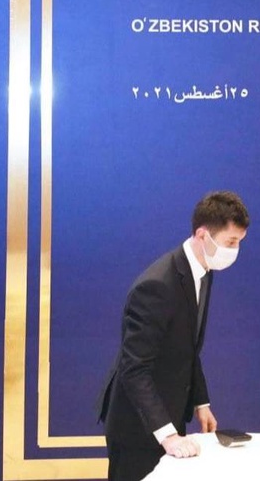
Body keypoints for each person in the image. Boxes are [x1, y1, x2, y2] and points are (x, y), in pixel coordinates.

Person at [95, 191, 250, 481]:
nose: (235, 250)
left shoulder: (204, 271)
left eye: (240, 242)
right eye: (231, 242)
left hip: (169, 418)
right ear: (203, 235)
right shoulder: (156, 286)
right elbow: (134, 369)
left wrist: (201, 402)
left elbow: (189, 347)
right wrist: (167, 435)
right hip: (136, 428)